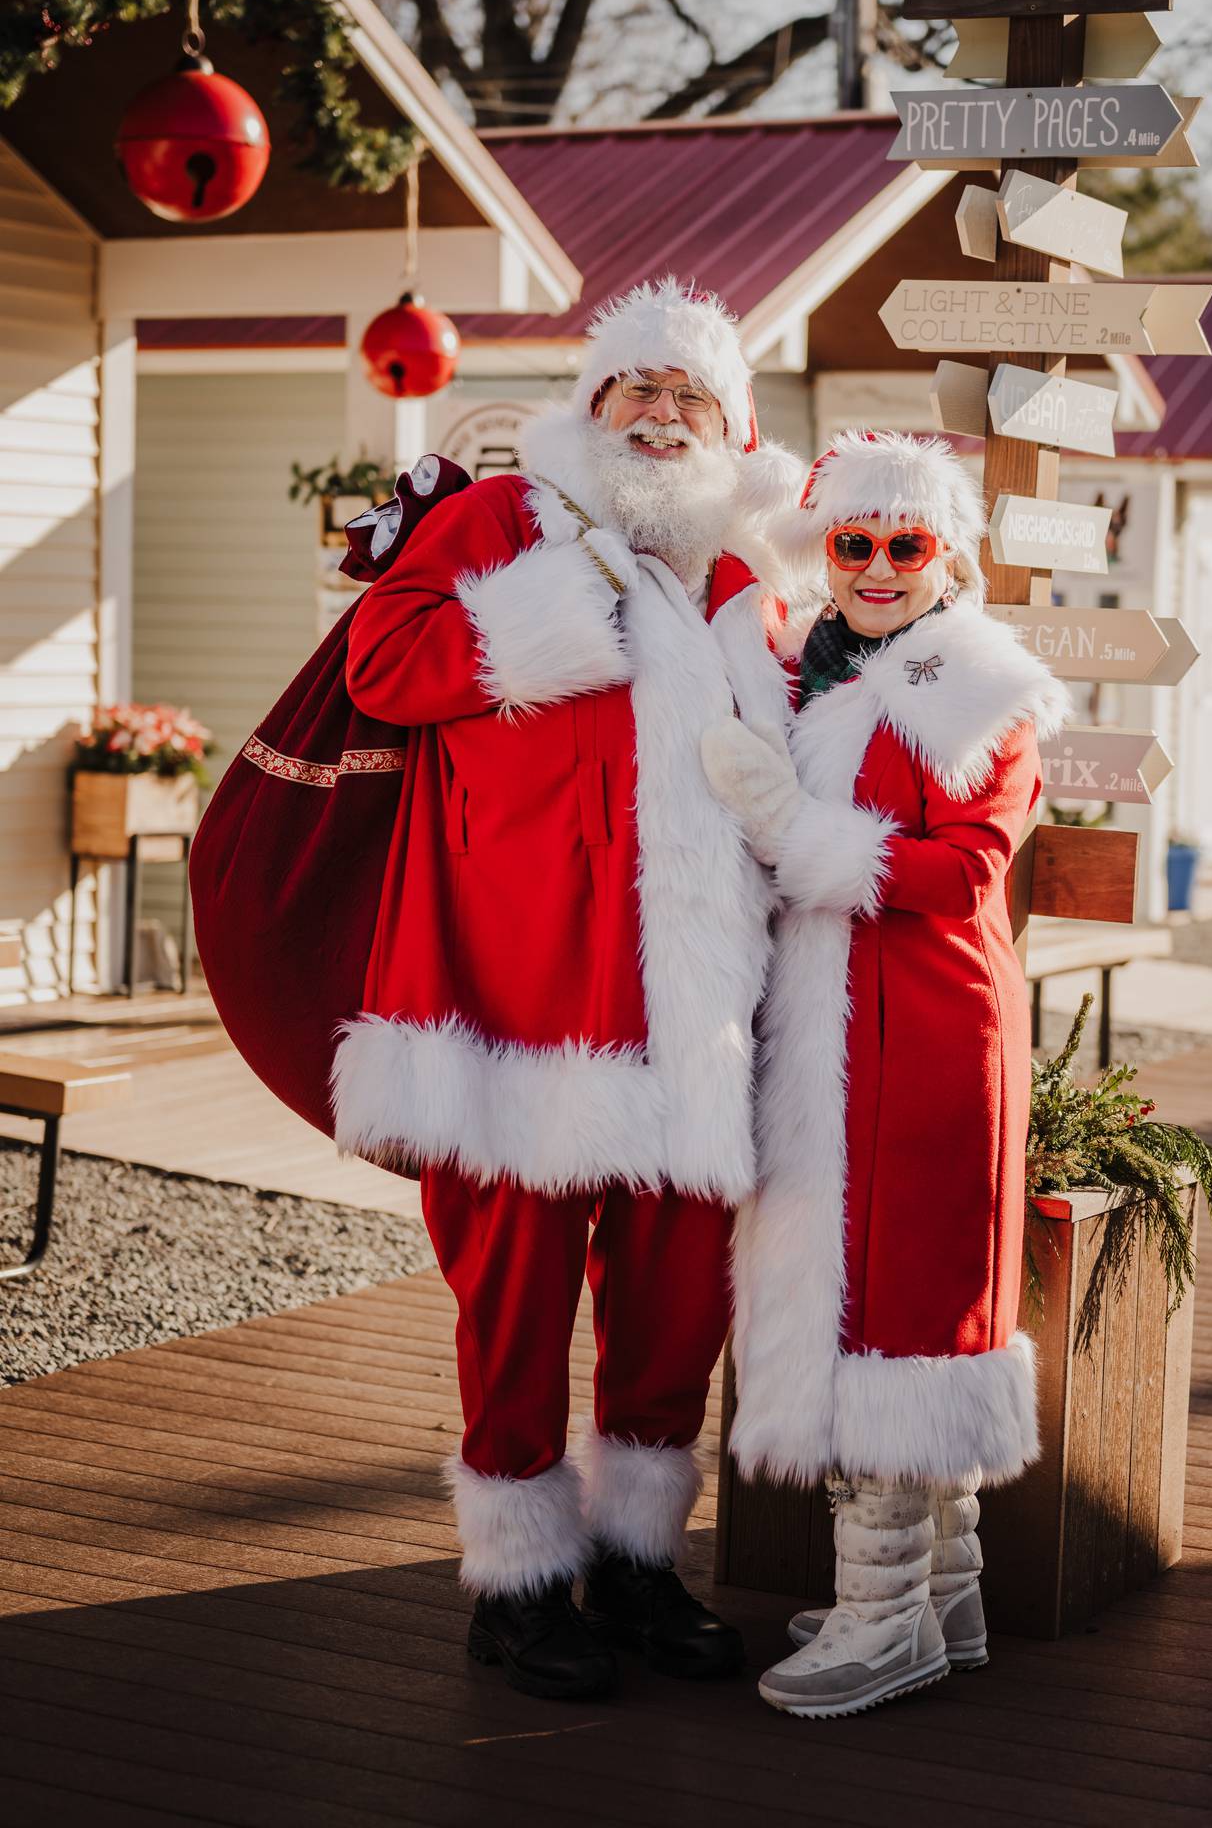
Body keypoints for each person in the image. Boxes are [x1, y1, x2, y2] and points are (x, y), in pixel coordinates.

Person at [340, 278, 797, 1702]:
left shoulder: (741, 586)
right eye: (636, 391)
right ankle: (521, 1582)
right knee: (517, 1305)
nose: (662, 418)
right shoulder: (500, 524)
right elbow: (387, 664)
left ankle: (639, 1566)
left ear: (733, 431)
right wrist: (575, 587)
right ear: (592, 408)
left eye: (691, 401)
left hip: (691, 1019)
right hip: (518, 1000)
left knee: (674, 1311)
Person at [701, 429, 1068, 1719]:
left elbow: (968, 869)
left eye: (902, 545)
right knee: (878, 1289)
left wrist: (799, 834)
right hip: (839, 1024)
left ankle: (881, 1620)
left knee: (894, 1310)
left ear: (947, 556)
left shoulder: (975, 684)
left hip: (919, 1031)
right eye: (853, 543)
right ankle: (938, 1591)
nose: (873, 566)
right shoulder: (819, 666)